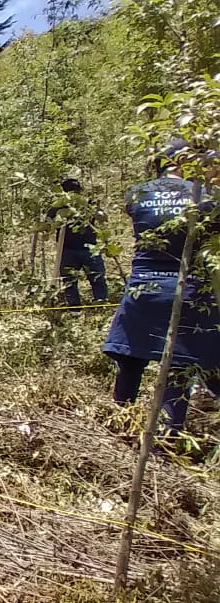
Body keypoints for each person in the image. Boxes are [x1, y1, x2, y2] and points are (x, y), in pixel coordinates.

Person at [102, 140, 219, 435]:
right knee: (180, 366)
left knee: (131, 356)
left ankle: (120, 420)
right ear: (186, 161)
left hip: (143, 287)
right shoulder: (205, 197)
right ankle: (168, 435)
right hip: (189, 288)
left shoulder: (137, 194)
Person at [48, 177, 109, 307]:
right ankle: (74, 308)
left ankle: (101, 303)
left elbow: (103, 217)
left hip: (89, 248)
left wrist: (91, 210)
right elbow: (47, 222)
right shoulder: (58, 205)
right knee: (69, 281)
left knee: (97, 276)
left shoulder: (87, 203)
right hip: (67, 249)